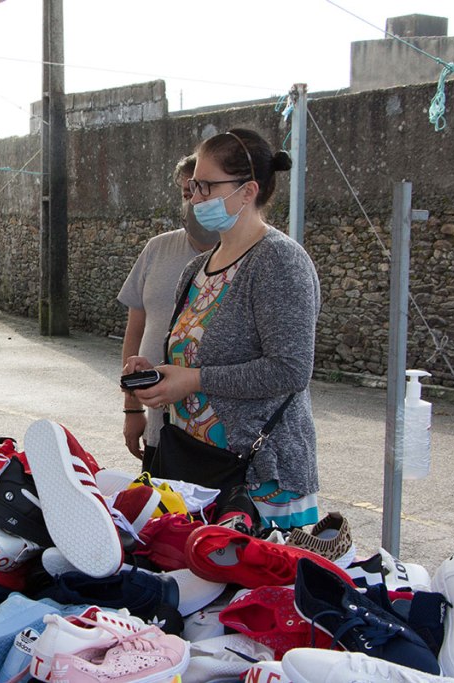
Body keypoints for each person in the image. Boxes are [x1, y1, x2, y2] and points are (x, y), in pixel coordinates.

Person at [125, 128, 320, 530]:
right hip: (194, 469)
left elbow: (290, 370)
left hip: (257, 479)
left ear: (248, 192)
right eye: (194, 186)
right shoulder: (196, 269)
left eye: (207, 187)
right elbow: (190, 360)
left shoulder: (279, 262)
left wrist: (194, 379)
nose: (195, 198)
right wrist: (157, 376)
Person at [119, 154, 220, 465]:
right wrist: (133, 408)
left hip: (216, 440)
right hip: (160, 432)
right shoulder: (157, 249)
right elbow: (136, 331)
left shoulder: (251, 259)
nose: (192, 203)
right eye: (186, 194)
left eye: (201, 192)